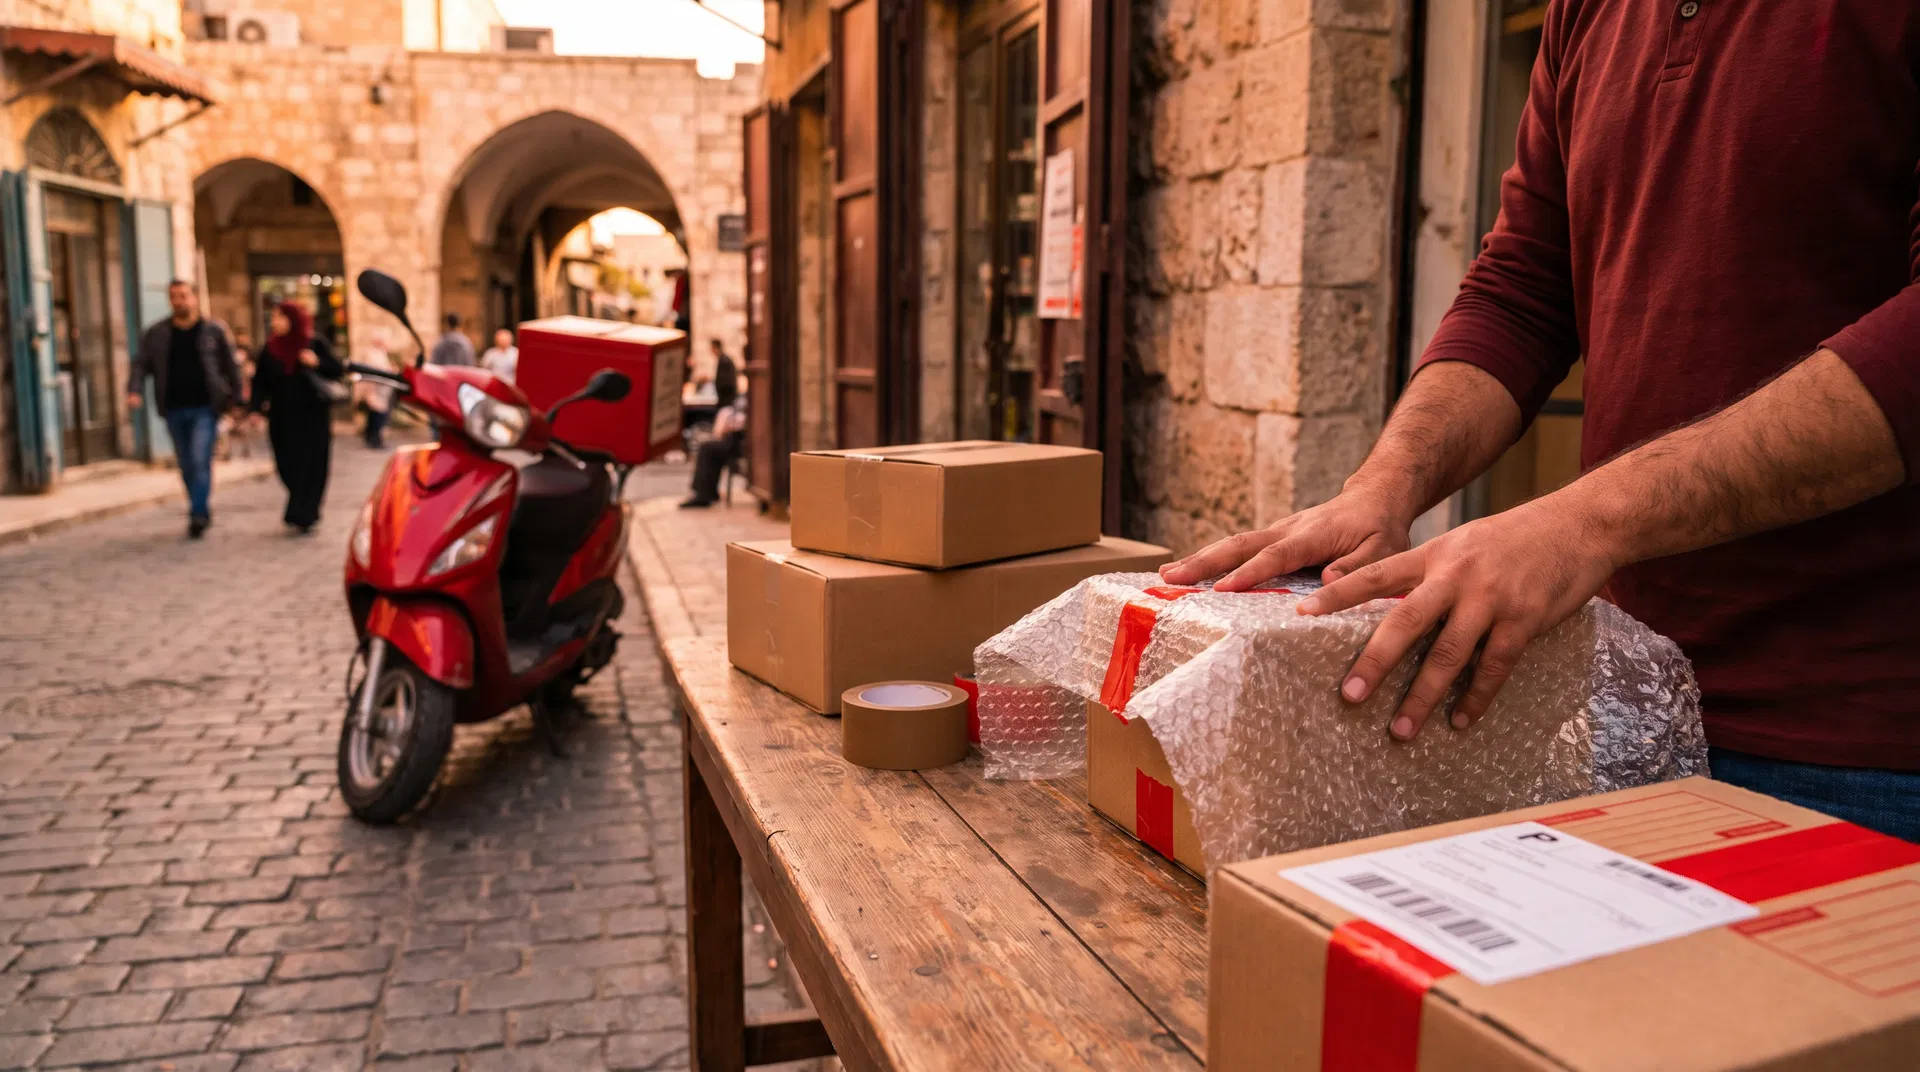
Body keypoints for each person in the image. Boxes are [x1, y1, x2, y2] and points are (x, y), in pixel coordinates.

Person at [1161, 8, 1920, 841]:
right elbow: (1523, 291)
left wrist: (1583, 522)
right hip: (1620, 697)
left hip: (1861, 748)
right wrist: (1384, 484)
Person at [127, 281, 242, 539]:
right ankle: (198, 505)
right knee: (187, 463)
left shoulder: (213, 330)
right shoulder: (157, 333)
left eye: (183, 296)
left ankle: (198, 513)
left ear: (194, 298)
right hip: (174, 406)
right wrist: (133, 390)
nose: (179, 301)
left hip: (206, 406)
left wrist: (237, 400)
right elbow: (140, 364)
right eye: (174, 297)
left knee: (200, 458)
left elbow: (231, 366)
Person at [249, 301, 344, 534]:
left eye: (281, 317)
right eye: (274, 318)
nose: (275, 322)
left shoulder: (314, 343)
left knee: (313, 465)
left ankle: (306, 512)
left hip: (313, 416)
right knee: (286, 464)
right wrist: (254, 410)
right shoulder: (269, 348)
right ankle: (299, 504)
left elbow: (337, 369)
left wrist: (317, 362)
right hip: (282, 417)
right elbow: (260, 382)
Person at [681, 394, 745, 509]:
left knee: (707, 449)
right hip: (737, 439)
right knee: (709, 449)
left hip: (741, 440)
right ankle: (706, 493)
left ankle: (704, 494)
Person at [354, 328, 398, 449]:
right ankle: (374, 439)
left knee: (377, 415)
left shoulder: (380, 354)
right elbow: (377, 370)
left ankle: (374, 438)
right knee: (377, 416)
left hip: (381, 390)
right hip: (374, 389)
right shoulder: (373, 354)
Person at [708, 338, 739, 409]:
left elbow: (725, 381)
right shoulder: (723, 359)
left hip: (726, 398)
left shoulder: (724, 361)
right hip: (725, 398)